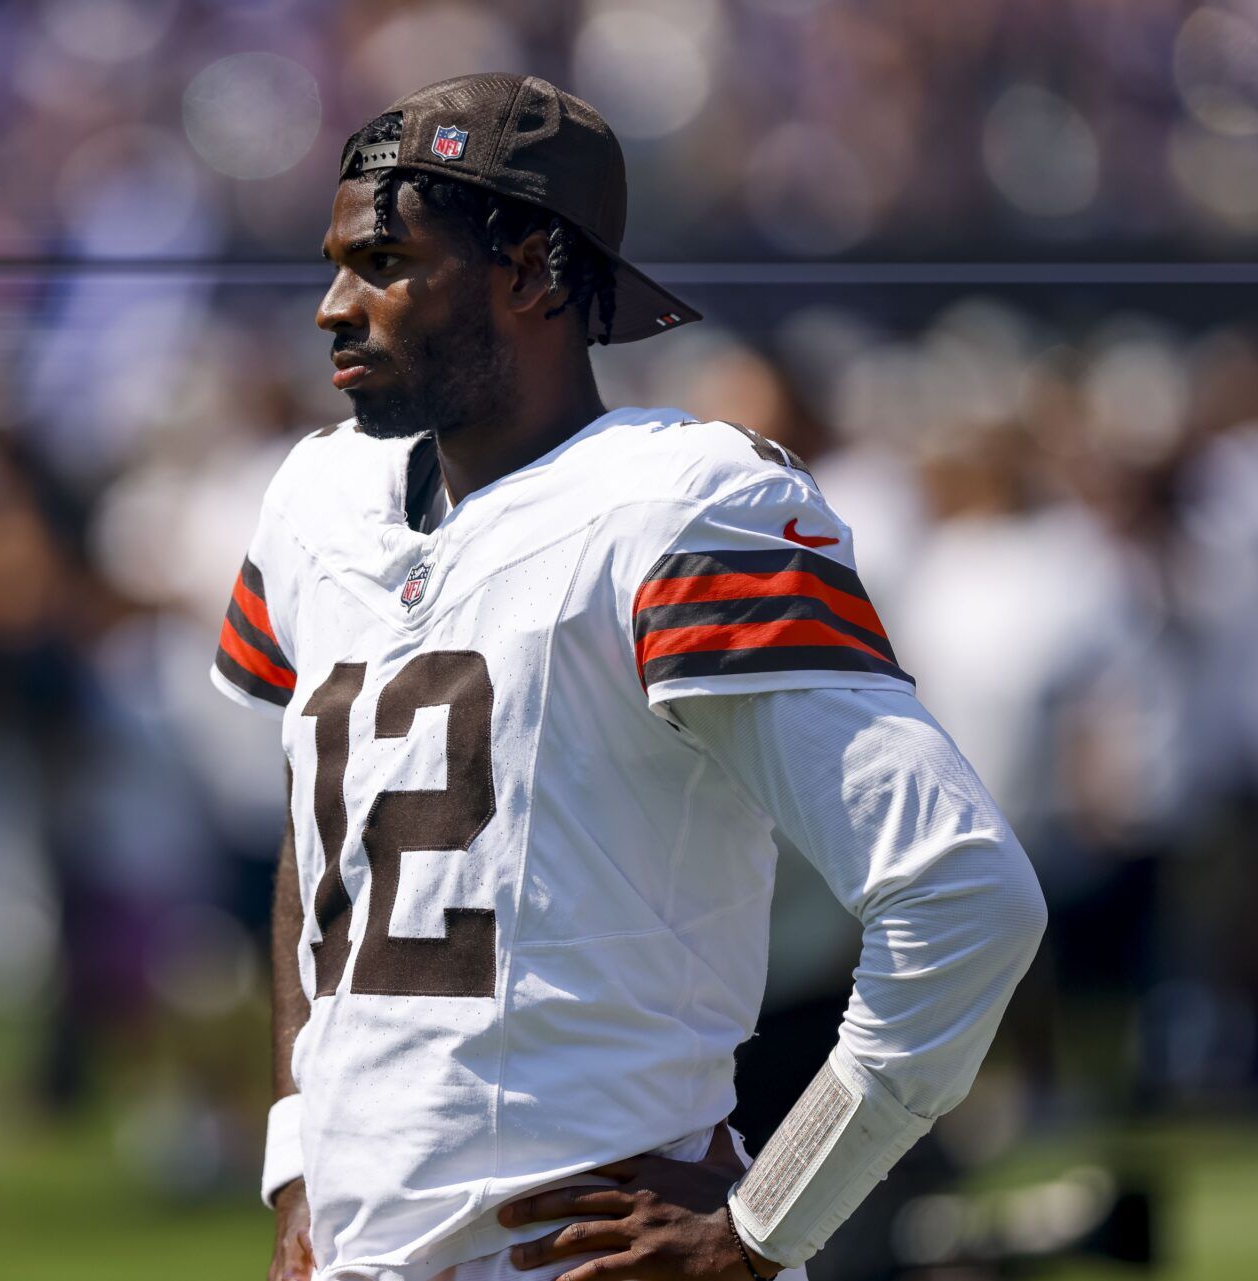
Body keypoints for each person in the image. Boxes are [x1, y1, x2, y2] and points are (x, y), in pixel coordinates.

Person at [210, 75, 1046, 1281]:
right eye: (338, 261)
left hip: (582, 1248)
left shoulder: (685, 506)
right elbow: (323, 846)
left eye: (388, 264)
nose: (337, 306)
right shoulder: (316, 498)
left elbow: (965, 896)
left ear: (536, 270)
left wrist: (768, 1221)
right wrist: (300, 1158)